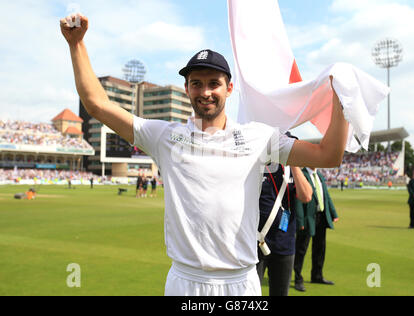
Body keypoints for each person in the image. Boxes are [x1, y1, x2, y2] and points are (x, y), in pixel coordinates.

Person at [60, 14, 349, 296]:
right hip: (186, 281)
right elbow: (97, 105)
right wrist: (77, 45)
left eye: (214, 83)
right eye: (196, 83)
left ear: (229, 88)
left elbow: (328, 155)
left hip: (241, 283)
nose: (205, 91)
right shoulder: (164, 136)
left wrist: (343, 97)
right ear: (187, 88)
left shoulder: (258, 137)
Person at [256, 159, 312, 296]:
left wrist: (293, 162)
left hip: (284, 244)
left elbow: (306, 196)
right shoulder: (255, 164)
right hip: (254, 243)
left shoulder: (291, 168)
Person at [294, 167, 339, 292]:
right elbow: (298, 198)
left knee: (320, 248)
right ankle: (298, 279)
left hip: (321, 216)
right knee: (301, 249)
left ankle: (317, 276)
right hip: (308, 217)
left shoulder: (318, 174)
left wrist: (333, 213)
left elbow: (326, 195)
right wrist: (300, 220)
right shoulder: (302, 174)